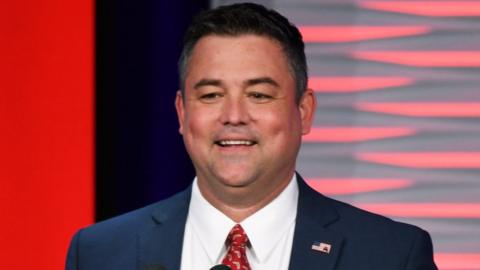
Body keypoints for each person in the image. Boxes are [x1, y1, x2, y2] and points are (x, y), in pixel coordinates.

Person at [66, 3, 437, 270]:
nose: (233, 117)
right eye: (211, 95)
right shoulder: (102, 253)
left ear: (303, 111)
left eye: (258, 94)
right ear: (182, 113)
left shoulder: (391, 255)